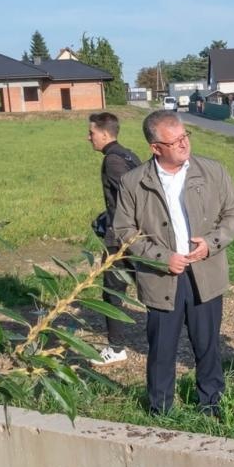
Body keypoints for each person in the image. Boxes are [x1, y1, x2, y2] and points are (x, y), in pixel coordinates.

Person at [110, 110, 234, 417]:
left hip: (205, 274)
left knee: (207, 344)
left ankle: (211, 404)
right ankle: (161, 409)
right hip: (160, 278)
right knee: (161, 347)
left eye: (186, 137)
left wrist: (210, 244)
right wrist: (161, 258)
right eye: (175, 141)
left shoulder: (213, 171)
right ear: (155, 147)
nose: (185, 145)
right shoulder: (133, 182)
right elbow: (124, 232)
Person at [87, 111, 143, 365]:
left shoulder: (112, 160)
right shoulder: (128, 154)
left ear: (106, 133)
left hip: (121, 239)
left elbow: (131, 196)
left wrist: (116, 223)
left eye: (92, 133)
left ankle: (117, 348)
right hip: (135, 234)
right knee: (149, 285)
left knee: (112, 291)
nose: (89, 138)